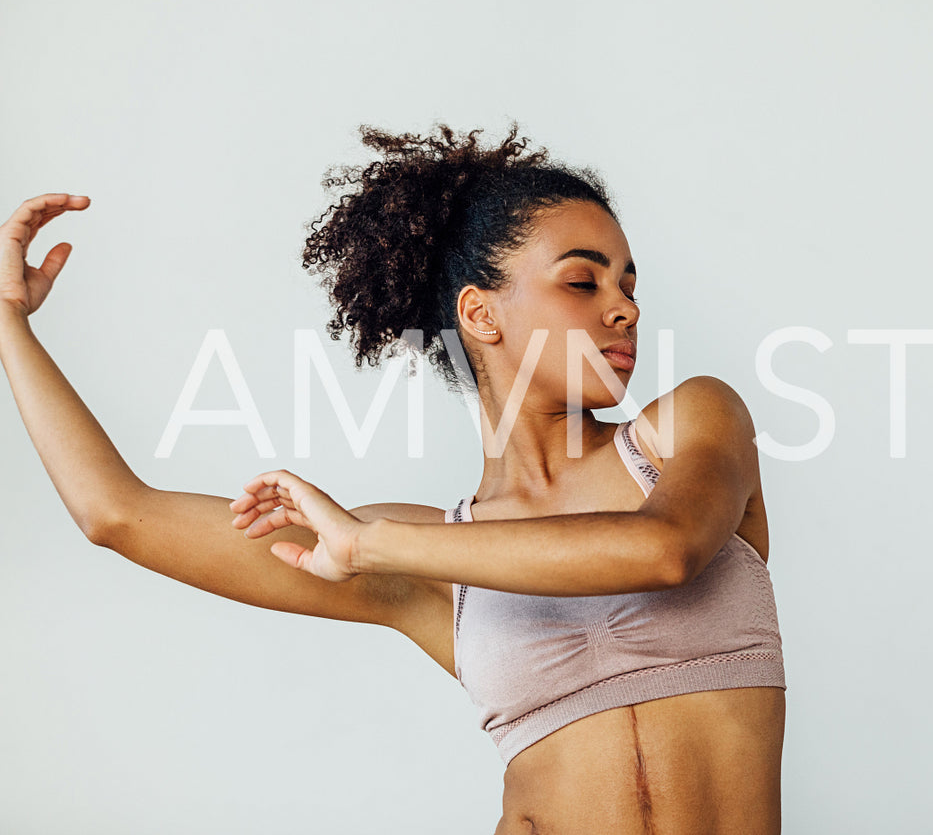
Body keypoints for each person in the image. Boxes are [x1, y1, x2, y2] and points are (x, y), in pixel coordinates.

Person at [0, 122, 787, 835]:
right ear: (480, 315)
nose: (624, 310)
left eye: (629, 285)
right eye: (584, 282)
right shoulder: (424, 563)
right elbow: (118, 513)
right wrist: (8, 322)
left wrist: (372, 542)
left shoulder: (687, 427)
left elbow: (663, 548)